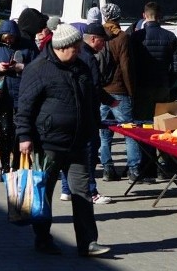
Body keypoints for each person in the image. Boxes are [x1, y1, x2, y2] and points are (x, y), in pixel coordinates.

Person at [16, 23, 111, 257]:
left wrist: (92, 127)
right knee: (43, 194)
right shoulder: (38, 69)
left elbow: (89, 99)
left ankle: (88, 243)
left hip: (78, 143)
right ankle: (43, 238)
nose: (80, 51)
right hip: (47, 144)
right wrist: (24, 136)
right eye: (76, 47)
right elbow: (24, 107)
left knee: (82, 193)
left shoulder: (81, 67)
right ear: (62, 47)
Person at [59, 23, 115, 206]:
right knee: (88, 153)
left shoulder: (75, 55)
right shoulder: (88, 58)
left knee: (70, 152)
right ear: (92, 39)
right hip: (87, 113)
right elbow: (95, 87)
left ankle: (67, 190)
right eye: (102, 41)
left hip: (71, 112)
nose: (103, 46)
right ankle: (91, 191)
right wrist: (110, 101)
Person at [129, 1, 177, 182]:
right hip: (162, 88)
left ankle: (146, 169)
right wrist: (170, 82)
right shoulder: (169, 37)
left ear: (144, 15)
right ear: (160, 16)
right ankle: (164, 166)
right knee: (163, 128)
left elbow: (131, 65)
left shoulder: (136, 38)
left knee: (143, 128)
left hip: (142, 88)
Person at [0, 19, 36, 178]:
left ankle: (16, 165)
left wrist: (23, 68)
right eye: (6, 38)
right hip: (2, 95)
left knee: (18, 133)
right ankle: (4, 167)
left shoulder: (28, 46)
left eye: (11, 38)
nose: (8, 40)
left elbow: (39, 67)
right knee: (5, 131)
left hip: (22, 95)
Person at [97, 3, 139, 183]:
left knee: (104, 134)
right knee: (129, 131)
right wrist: (131, 91)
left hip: (102, 91)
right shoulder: (122, 37)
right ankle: (133, 170)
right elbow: (126, 66)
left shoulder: (99, 35)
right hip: (119, 89)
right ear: (118, 16)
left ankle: (107, 169)